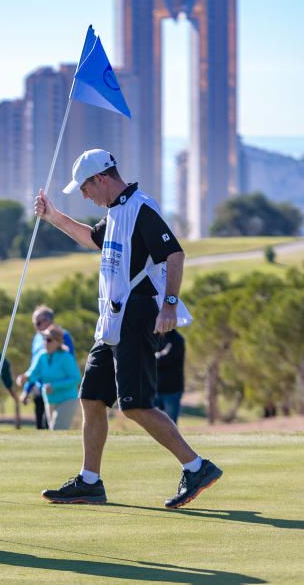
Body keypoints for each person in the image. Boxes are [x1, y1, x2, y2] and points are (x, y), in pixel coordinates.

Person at [34, 148, 221, 508]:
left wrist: (168, 305)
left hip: (137, 316)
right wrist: (53, 216)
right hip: (112, 321)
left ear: (102, 178)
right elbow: (93, 239)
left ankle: (196, 466)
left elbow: (175, 254)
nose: (85, 195)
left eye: (86, 188)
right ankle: (90, 481)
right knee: (91, 398)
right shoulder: (116, 211)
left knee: (135, 406)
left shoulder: (140, 208)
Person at [18, 305, 75, 429]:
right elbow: (34, 368)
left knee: (55, 427)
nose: (36, 327)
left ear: (48, 320)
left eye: (38, 323)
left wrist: (55, 385)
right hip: (42, 390)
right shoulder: (37, 338)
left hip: (62, 393)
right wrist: (27, 389)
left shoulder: (64, 337)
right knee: (42, 427)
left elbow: (71, 370)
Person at [154, 329, 186, 424]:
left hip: (172, 390)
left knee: (170, 424)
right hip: (155, 389)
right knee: (155, 424)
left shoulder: (176, 339)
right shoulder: (156, 337)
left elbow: (164, 360)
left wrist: (153, 357)